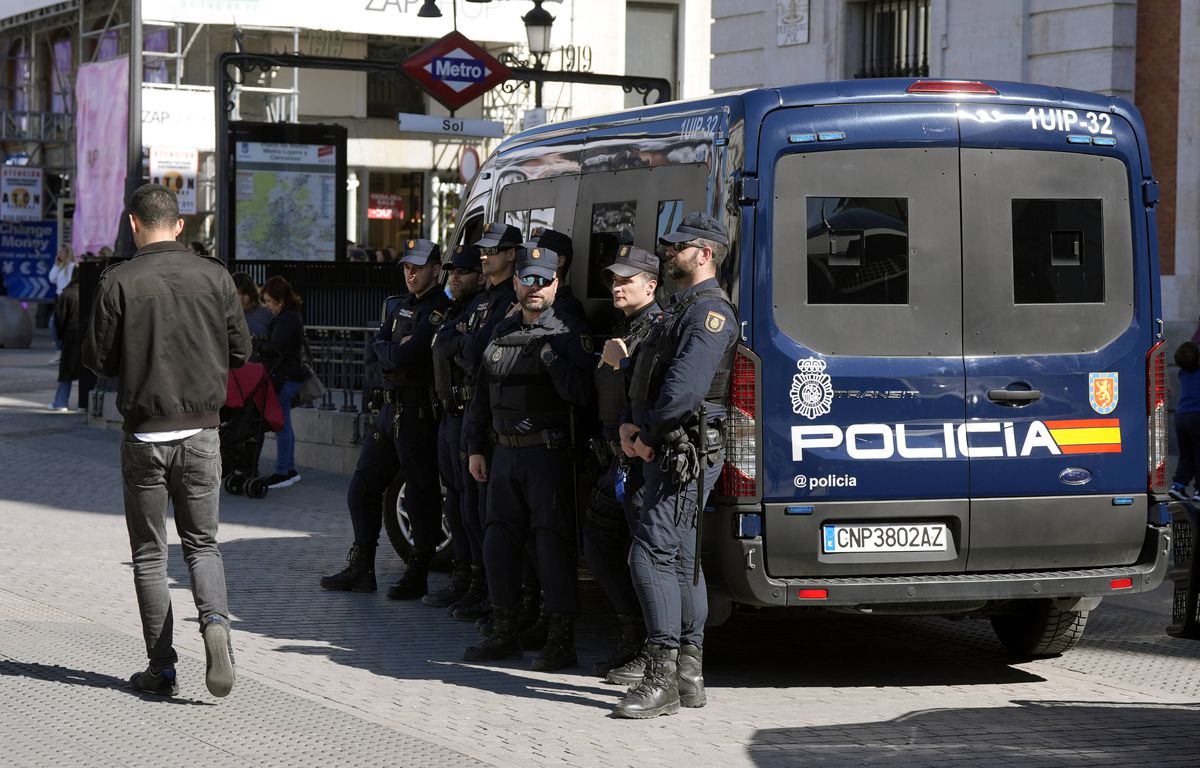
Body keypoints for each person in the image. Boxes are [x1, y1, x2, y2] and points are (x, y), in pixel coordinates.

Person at [82, 182, 249, 699]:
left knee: (150, 555)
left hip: (144, 435)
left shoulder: (119, 280)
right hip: (202, 432)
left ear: (134, 224)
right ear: (179, 226)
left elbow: (98, 360)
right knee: (203, 545)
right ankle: (217, 628)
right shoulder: (216, 277)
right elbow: (241, 351)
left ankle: (162, 668)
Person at [613, 212, 738, 719]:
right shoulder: (681, 308)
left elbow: (685, 390)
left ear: (705, 253)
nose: (669, 253)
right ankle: (688, 675)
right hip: (666, 445)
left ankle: (661, 675)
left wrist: (647, 435)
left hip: (680, 452)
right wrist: (630, 423)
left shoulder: (709, 313)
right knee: (682, 559)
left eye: (679, 247)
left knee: (650, 554)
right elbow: (648, 374)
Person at [462, 243, 595, 670]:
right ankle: (505, 631)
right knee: (498, 543)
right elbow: (480, 396)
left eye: (545, 279)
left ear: (556, 284)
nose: (536, 287)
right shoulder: (500, 331)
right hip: (503, 457)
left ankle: (561, 640)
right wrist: (475, 448)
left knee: (551, 547)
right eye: (529, 279)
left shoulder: (568, 333)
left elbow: (583, 395)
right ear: (516, 282)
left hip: (547, 457)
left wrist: (553, 358)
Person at [320, 239, 452, 597]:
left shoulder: (440, 310)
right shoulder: (401, 307)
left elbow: (402, 358)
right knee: (362, 487)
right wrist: (391, 351)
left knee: (421, 495)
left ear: (436, 270)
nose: (410, 273)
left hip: (417, 413)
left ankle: (418, 571)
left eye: (418, 267)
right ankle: (362, 567)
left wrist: (390, 352)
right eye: (407, 267)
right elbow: (379, 352)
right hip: (390, 410)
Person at [434, 222, 520, 622]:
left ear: (512, 254)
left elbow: (480, 352)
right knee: (464, 505)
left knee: (486, 511)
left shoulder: (508, 299)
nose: (483, 256)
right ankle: (471, 580)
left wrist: (464, 341)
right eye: (482, 251)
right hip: (466, 411)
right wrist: (464, 339)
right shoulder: (482, 299)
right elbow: (448, 338)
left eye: (492, 250)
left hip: (486, 416)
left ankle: (491, 590)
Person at [583, 244, 661, 677]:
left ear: (650, 285)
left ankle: (654, 650)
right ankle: (631, 636)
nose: (616, 286)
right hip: (613, 461)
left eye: (626, 279)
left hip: (640, 463)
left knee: (647, 558)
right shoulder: (626, 325)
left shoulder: (656, 329)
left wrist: (623, 363)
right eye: (614, 279)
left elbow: (658, 392)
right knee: (597, 546)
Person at [424, 243, 484, 608]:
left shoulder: (482, 307)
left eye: (462, 271)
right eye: (452, 271)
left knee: (471, 505)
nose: (454, 278)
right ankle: (463, 574)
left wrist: (455, 341)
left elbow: (472, 352)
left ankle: (479, 580)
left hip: (468, 414)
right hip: (449, 414)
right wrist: (454, 338)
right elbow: (442, 344)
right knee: (456, 503)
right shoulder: (453, 310)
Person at [257, 276, 307, 489]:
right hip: (288, 376)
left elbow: (276, 347)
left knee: (282, 425)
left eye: (269, 301)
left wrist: (259, 345)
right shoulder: (289, 316)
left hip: (285, 377)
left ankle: (283, 471)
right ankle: (289, 469)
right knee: (284, 424)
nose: (267, 306)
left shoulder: (287, 319)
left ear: (280, 300)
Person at [48, 269, 83, 411]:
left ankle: (61, 402)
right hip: (87, 334)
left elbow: (58, 320)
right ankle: (84, 404)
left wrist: (60, 340)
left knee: (66, 371)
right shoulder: (93, 291)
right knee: (87, 372)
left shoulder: (67, 293)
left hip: (71, 334)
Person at [1170, 340, 1200, 503]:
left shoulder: (1183, 373)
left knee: (1186, 455)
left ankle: (1178, 485)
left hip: (1181, 417)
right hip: (1197, 415)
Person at [48, 244, 76, 364]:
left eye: (61, 252)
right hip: (59, 298)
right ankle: (60, 350)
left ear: (67, 253)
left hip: (67, 299)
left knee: (56, 324)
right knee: (54, 325)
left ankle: (61, 351)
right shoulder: (60, 267)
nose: (59, 254)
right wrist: (56, 265)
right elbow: (51, 278)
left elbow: (70, 282)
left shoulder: (72, 266)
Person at [232, 272, 273, 338]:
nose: (240, 298)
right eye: (236, 294)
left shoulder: (268, 312)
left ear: (251, 292)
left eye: (244, 293)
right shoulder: (227, 315)